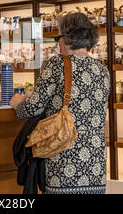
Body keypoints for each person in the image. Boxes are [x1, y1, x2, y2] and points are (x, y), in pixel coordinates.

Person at [10, 12, 110, 194]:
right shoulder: (102, 70)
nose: (58, 42)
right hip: (95, 160)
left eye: (59, 37)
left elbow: (33, 108)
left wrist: (17, 103)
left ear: (68, 38)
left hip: (64, 157)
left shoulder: (57, 64)